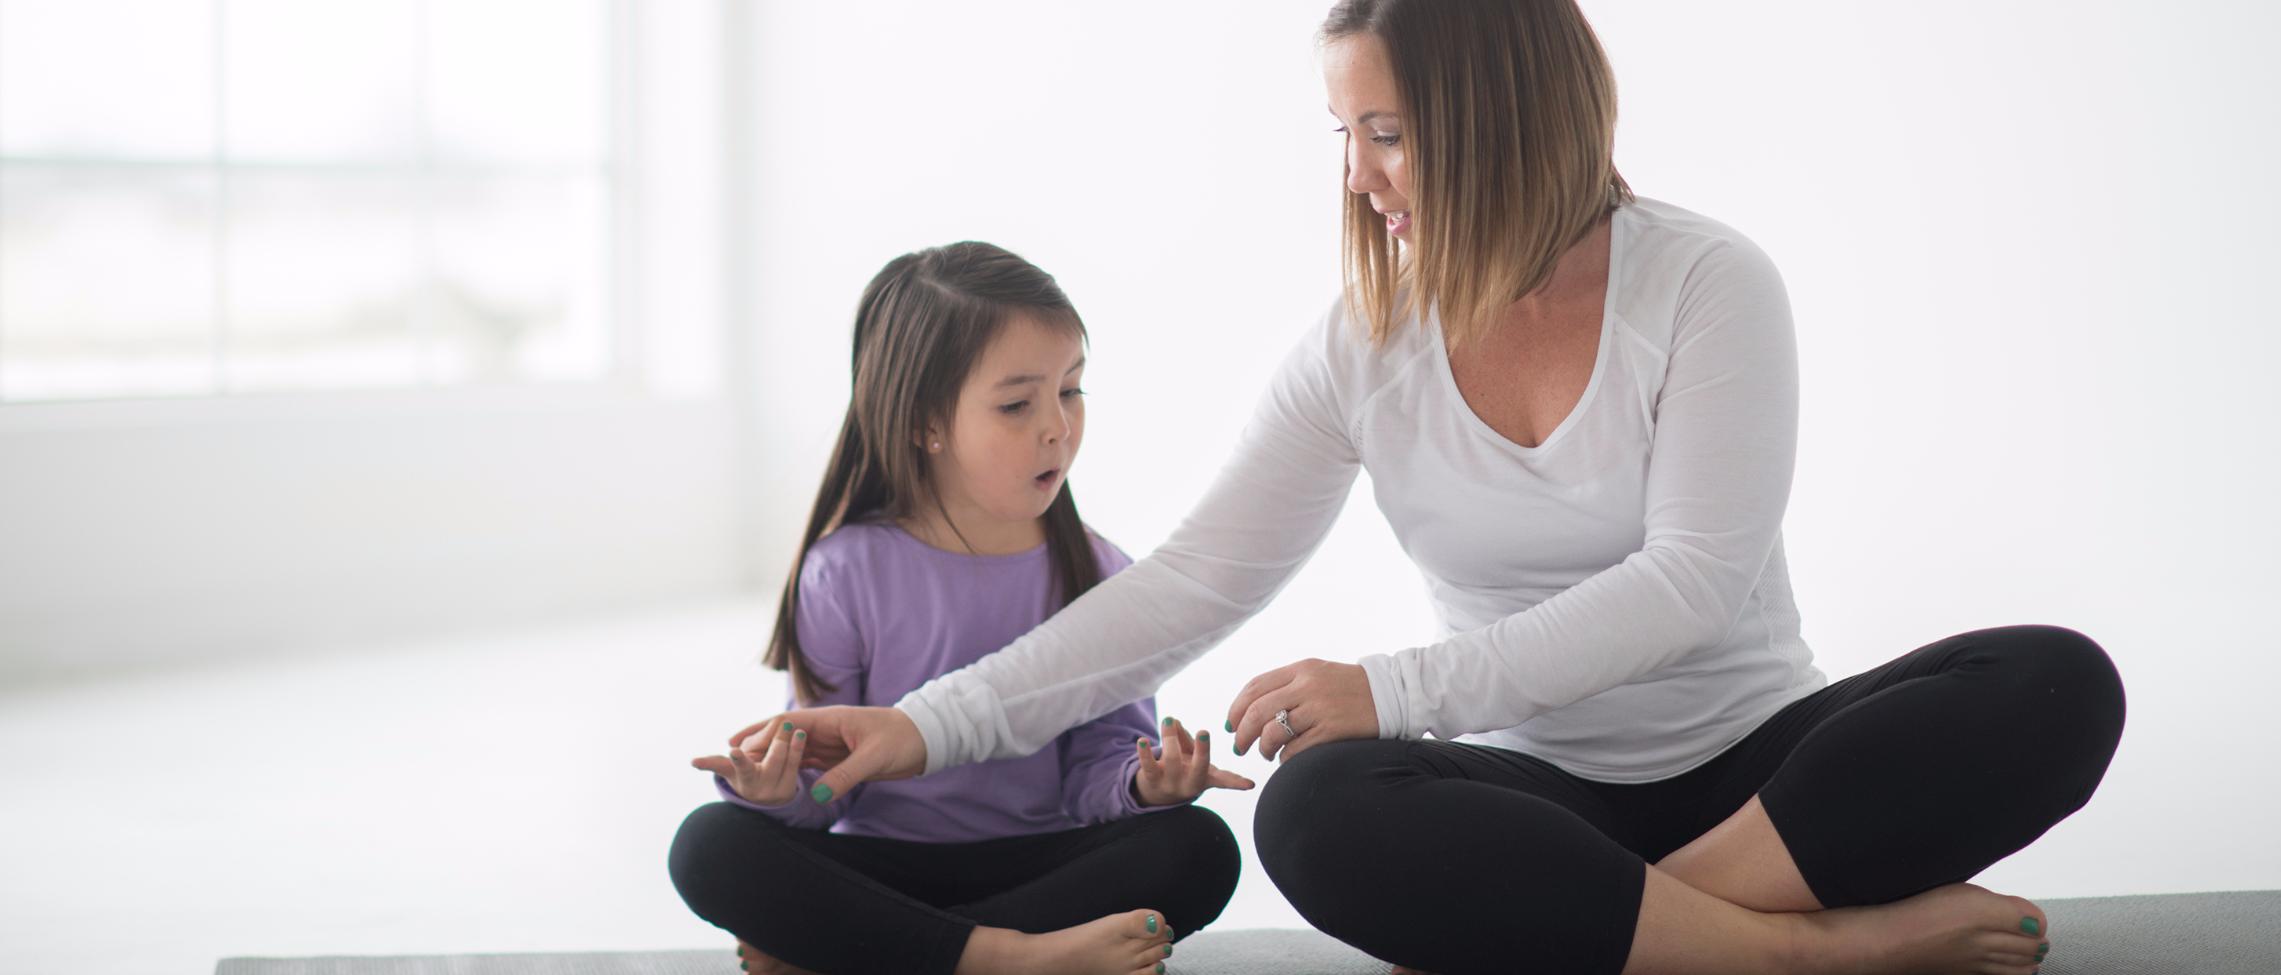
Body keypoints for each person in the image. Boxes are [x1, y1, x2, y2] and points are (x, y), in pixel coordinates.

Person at [730, 3, 2127, 973]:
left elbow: (1695, 581)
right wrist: (920, 728)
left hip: (1760, 774)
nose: (1357, 180)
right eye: (1342, 136)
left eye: (1386, 132)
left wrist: (1397, 686)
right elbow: (1185, 588)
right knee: (1312, 810)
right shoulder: (1363, 346)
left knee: (2056, 683)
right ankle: (1800, 950)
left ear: (1502, 111)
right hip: (1534, 804)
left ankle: (1601, 930)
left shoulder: (1707, 283)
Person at [667, 242, 1249, 975]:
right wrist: (778, 789)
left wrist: (1142, 784)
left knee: (1195, 846)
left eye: (1071, 390)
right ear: (924, 422)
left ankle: (876, 953)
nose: (1056, 427)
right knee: (709, 844)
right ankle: (1011, 958)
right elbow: (825, 793)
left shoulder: (1101, 573)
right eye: (1017, 403)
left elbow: (1097, 767)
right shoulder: (843, 569)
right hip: (883, 863)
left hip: (1036, 861)